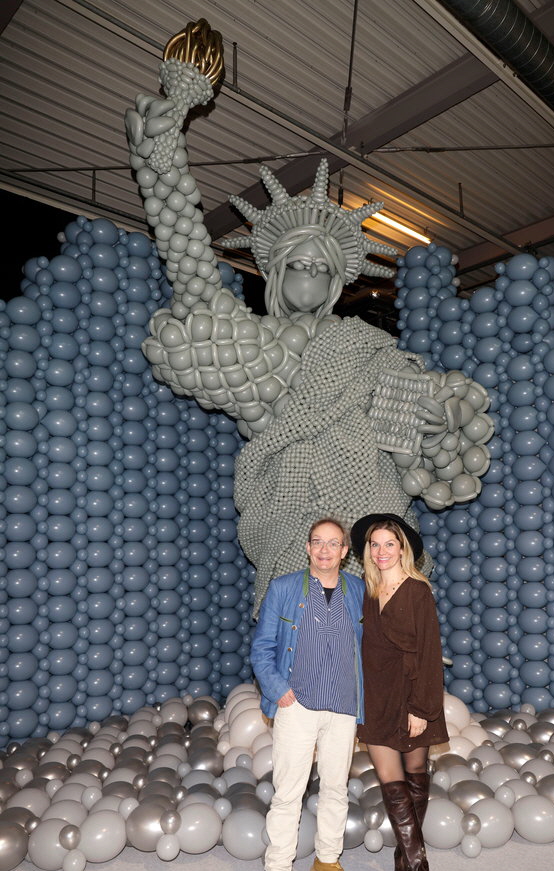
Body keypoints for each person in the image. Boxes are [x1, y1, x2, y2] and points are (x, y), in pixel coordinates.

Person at [126, 19, 494, 611]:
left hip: (367, 493)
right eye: (299, 264)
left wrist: (431, 408)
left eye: (324, 270)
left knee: (373, 627)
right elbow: (193, 277)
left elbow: (403, 394)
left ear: (335, 284)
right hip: (287, 504)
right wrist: (165, 157)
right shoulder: (254, 345)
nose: (311, 277)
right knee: (294, 622)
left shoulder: (358, 342)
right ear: (273, 273)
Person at [247, 518, 365, 871]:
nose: (326, 550)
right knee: (288, 792)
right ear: (308, 547)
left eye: (334, 544)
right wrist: (279, 690)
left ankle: (327, 862)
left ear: (345, 551)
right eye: (319, 542)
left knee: (335, 788)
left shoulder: (359, 591)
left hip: (343, 707)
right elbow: (261, 648)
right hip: (295, 706)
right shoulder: (283, 588)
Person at [350, 513, 448, 871]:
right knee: (392, 786)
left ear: (403, 549)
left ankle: (402, 856)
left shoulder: (418, 592)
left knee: (414, 777)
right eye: (375, 545)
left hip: (411, 696)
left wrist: (420, 709)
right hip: (376, 697)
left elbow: (428, 654)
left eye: (390, 543)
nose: (382, 551)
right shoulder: (369, 593)